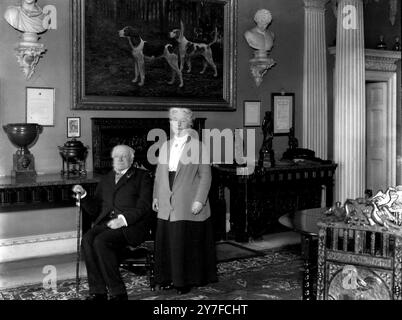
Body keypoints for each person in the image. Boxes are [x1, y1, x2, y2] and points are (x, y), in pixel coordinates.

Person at [72, 145, 153, 301]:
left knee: (101, 241)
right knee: (88, 239)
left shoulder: (142, 177)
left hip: (131, 225)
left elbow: (144, 207)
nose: (120, 159)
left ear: (132, 158)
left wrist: (122, 220)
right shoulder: (107, 178)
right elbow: (95, 209)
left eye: (124, 156)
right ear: (112, 159)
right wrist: (83, 196)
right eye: (117, 156)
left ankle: (118, 292)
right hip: (107, 224)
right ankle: (98, 292)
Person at [152, 107, 217, 294]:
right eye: (174, 121)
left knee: (182, 240)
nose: (178, 125)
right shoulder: (165, 145)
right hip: (166, 197)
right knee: (167, 241)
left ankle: (184, 281)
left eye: (182, 121)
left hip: (188, 198)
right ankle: (166, 278)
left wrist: (200, 200)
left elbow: (206, 176)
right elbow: (159, 175)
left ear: (189, 124)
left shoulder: (198, 146)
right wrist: (156, 196)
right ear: (170, 123)